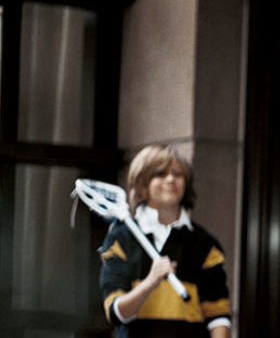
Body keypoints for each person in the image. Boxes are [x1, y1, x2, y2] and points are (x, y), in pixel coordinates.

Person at [97, 145, 232, 338]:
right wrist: (151, 282)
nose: (171, 179)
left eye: (178, 174)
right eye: (160, 174)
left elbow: (218, 316)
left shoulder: (204, 244)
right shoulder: (121, 238)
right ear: (142, 185)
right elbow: (116, 313)